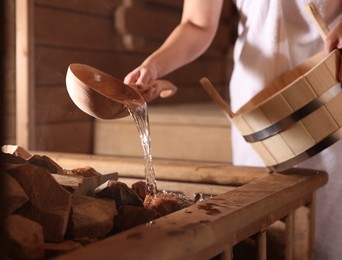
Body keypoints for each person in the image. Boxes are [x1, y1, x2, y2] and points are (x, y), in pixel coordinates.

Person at [124, 1, 342, 259]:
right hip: (255, 105)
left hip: (328, 84)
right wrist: (153, 67)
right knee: (260, 231)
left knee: (328, 228)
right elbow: (197, 23)